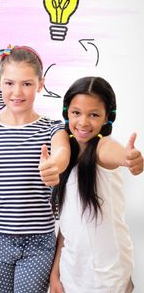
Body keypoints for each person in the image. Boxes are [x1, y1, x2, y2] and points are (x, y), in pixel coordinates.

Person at [0, 45, 71, 293]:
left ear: (40, 84)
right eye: (9, 83)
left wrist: (53, 166)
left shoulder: (52, 128)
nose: (17, 92)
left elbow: (62, 152)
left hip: (38, 243)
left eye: (27, 84)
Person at [49, 76, 143, 293]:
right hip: (72, 273)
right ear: (66, 113)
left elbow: (116, 153)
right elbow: (67, 226)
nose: (83, 122)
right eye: (76, 113)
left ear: (107, 118)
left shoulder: (103, 148)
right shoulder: (66, 155)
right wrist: (56, 273)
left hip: (108, 276)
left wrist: (130, 158)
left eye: (93, 115)